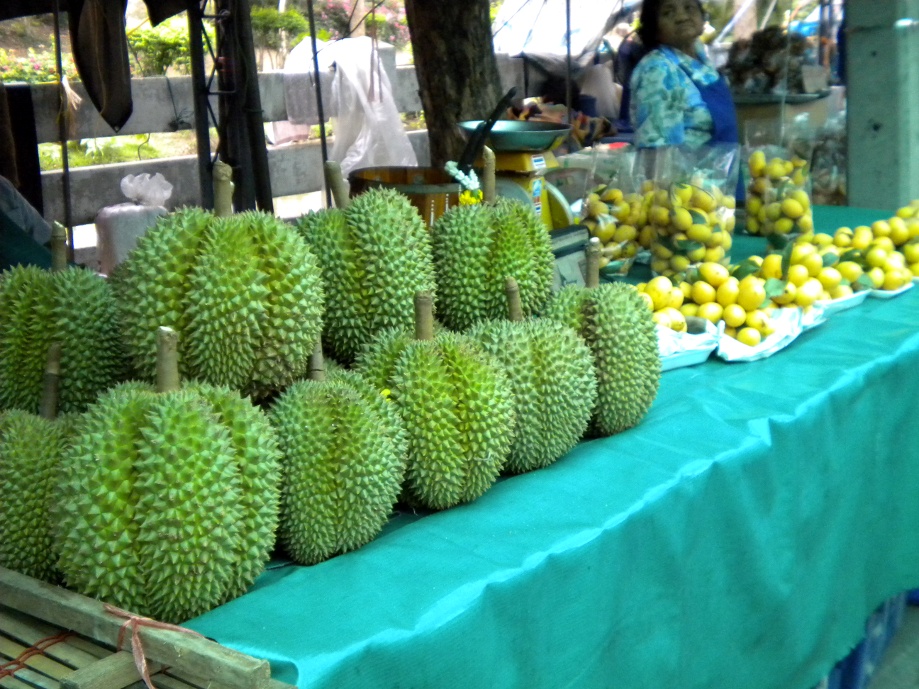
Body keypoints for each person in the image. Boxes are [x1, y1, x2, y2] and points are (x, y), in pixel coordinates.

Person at [628, 0, 739, 150]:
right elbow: (656, 153)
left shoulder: (703, 62)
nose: (682, 17)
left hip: (723, 169)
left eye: (689, 7)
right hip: (691, 173)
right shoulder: (657, 70)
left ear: (702, 18)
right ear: (654, 28)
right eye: (668, 12)